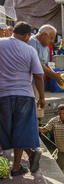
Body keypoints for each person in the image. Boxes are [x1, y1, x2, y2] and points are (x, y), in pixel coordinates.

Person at [0, 21, 45, 176]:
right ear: (27, 35)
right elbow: (38, 76)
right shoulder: (30, 50)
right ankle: (17, 167)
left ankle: (18, 159)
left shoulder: (1, 44)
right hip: (24, 95)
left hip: (2, 95)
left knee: (4, 129)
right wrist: (42, 98)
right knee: (21, 130)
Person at [28, 24, 64, 119]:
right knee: (32, 113)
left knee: (38, 113)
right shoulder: (32, 42)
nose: (52, 41)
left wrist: (54, 74)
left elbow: (46, 64)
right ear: (43, 34)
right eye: (51, 38)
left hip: (38, 83)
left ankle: (37, 132)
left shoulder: (46, 47)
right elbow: (38, 64)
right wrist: (54, 76)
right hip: (29, 84)